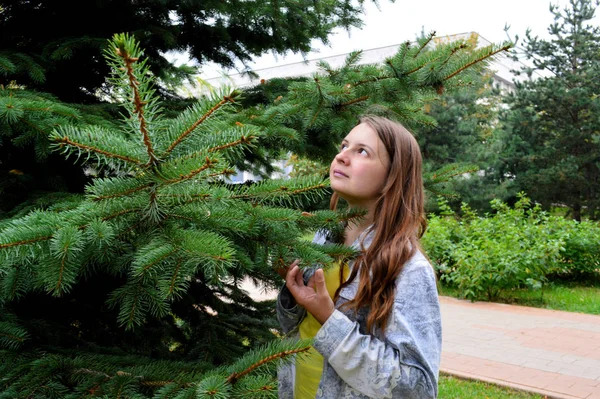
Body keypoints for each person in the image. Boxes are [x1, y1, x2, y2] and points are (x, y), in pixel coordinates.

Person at [276, 115, 442, 398]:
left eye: (361, 151)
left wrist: (329, 319)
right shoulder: (324, 239)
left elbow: (418, 388)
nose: (341, 156)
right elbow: (296, 329)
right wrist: (292, 295)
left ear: (393, 176)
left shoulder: (409, 270)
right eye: (343, 146)